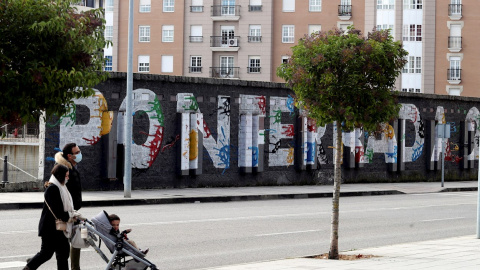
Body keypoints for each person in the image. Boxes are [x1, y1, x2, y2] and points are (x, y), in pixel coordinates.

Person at [24, 164, 77, 270]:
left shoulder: (61, 188)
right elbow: (57, 210)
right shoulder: (52, 189)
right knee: (46, 254)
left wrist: (74, 215)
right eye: (66, 176)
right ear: (60, 176)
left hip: (59, 228)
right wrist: (72, 216)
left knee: (63, 254)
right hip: (50, 228)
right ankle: (29, 267)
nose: (68, 178)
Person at [55, 143, 83, 270]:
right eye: (77, 153)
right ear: (69, 156)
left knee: (77, 239)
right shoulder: (64, 169)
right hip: (66, 212)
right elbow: (58, 190)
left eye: (79, 151)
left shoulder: (73, 167)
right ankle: (34, 261)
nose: (80, 154)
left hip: (74, 210)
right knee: (58, 247)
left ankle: (75, 267)